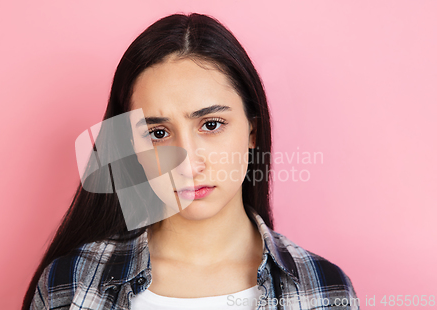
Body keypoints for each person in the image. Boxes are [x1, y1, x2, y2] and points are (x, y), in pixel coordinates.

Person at [23, 13, 359, 310]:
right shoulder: (69, 285)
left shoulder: (323, 292)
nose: (187, 163)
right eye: (157, 133)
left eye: (211, 125)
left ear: (252, 131)